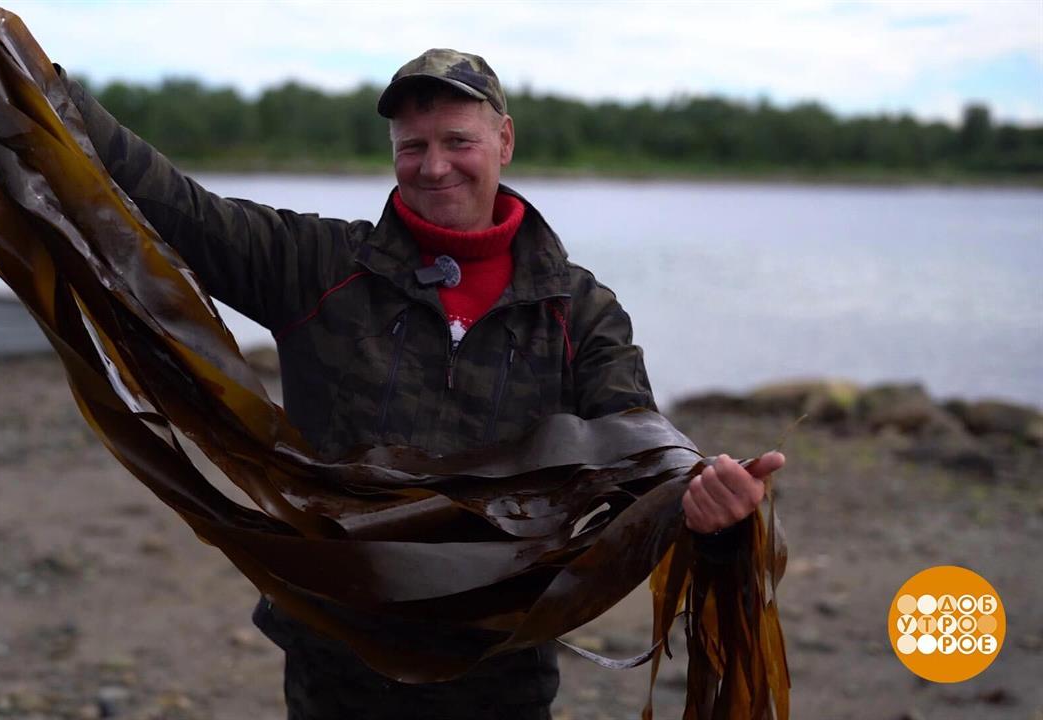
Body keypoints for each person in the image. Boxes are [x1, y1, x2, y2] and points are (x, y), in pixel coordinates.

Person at [56, 48, 784, 720]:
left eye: (457, 141)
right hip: (335, 659)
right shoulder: (316, 265)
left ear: (504, 141)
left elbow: (639, 465)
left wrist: (712, 516)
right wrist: (44, 86)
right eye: (413, 146)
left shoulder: (581, 312)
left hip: (501, 668)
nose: (435, 166)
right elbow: (178, 206)